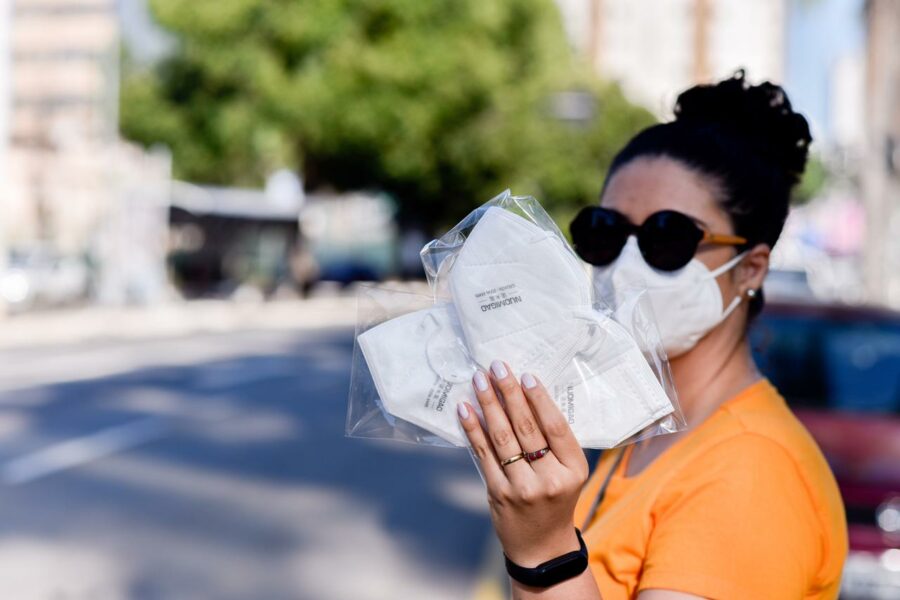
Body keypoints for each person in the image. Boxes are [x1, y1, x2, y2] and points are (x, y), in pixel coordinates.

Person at [455, 71, 848, 599]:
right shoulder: (641, 430)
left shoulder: (749, 470)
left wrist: (543, 552)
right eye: (605, 232)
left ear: (751, 268)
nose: (628, 263)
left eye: (668, 236)